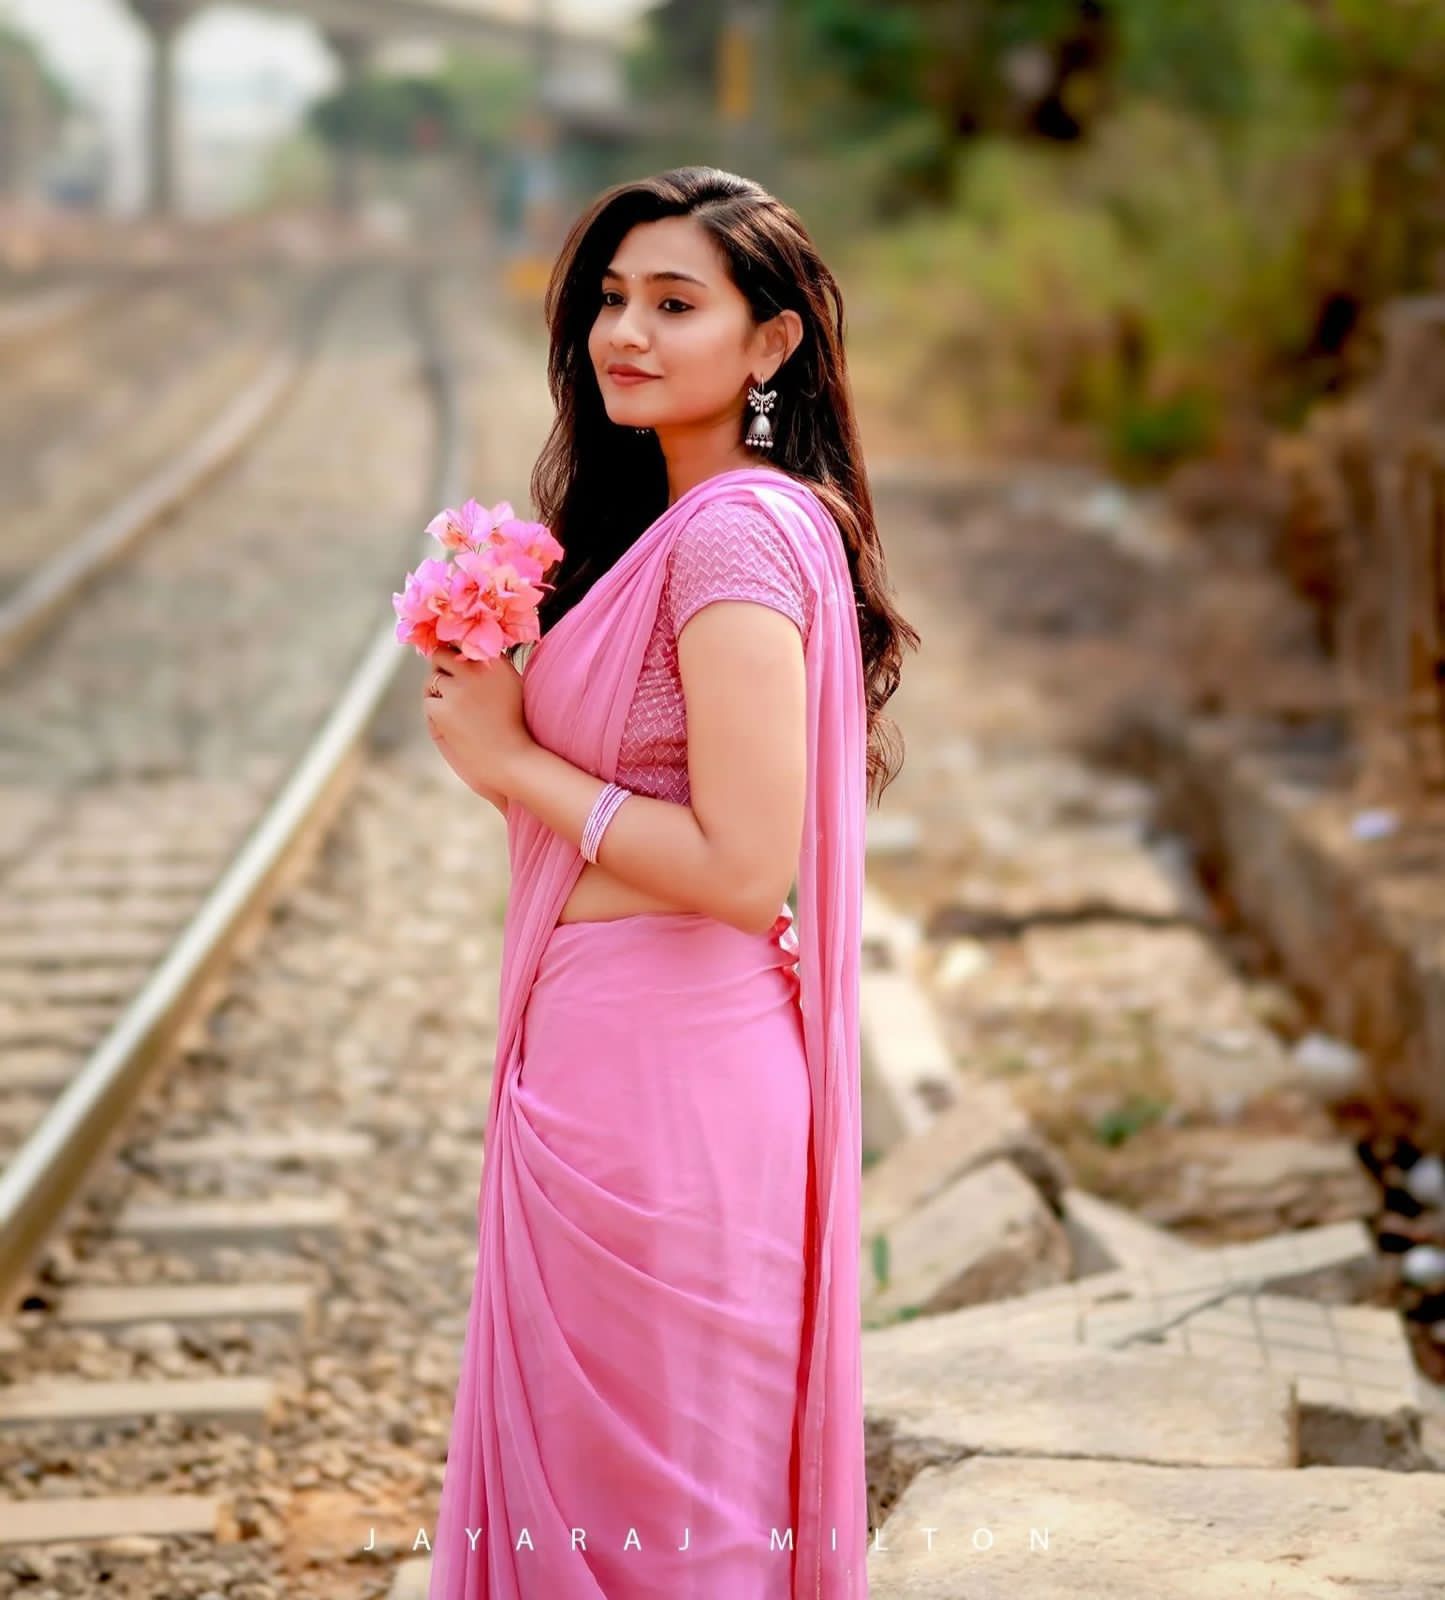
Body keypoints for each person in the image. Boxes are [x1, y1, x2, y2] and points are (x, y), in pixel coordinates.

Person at [420, 164, 917, 1599]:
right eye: (610, 301)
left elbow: (741, 865)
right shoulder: (674, 524)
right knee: (606, 1496)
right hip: (603, 1069)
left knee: (663, 1520)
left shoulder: (734, 539)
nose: (623, 332)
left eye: (674, 303)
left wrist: (517, 767)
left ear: (771, 345)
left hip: (669, 1088)